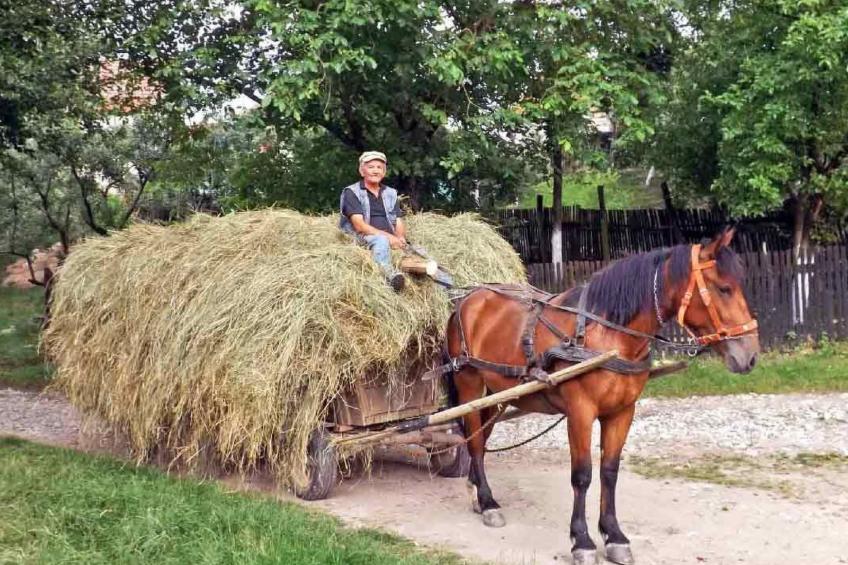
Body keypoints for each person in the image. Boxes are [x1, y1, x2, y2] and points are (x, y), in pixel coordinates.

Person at [339, 151, 407, 291]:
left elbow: (398, 219)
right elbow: (359, 226)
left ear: (384, 172)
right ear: (361, 171)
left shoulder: (391, 193)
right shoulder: (352, 192)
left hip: (390, 237)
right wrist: (389, 238)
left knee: (422, 254)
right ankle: (387, 276)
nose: (376, 171)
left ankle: (451, 291)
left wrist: (399, 238)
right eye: (371, 167)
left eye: (379, 167)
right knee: (380, 241)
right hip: (362, 238)